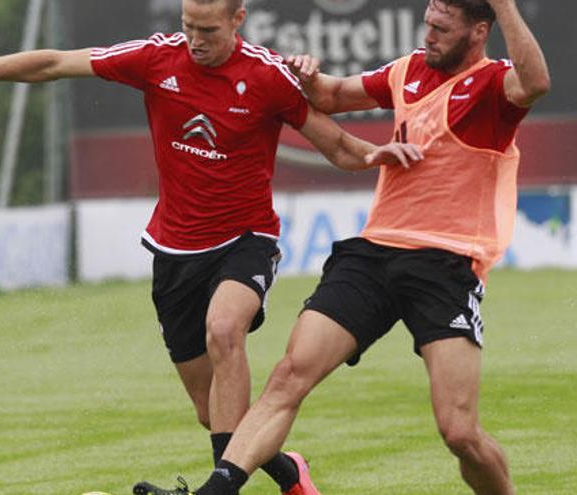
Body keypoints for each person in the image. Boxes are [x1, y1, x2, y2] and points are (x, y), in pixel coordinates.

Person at [0, 1, 421, 494]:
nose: (195, 40)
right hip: (174, 250)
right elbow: (55, 63)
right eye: (188, 26)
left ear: (237, 19)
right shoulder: (156, 58)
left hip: (246, 240)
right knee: (212, 412)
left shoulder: (267, 76)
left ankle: (221, 489)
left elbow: (335, 146)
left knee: (225, 329)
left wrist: (381, 155)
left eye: (209, 30)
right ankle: (288, 473)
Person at [138, 0, 550, 494]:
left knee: (459, 432)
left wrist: (505, 5)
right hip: (373, 254)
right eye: (427, 24)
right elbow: (331, 95)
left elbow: (536, 83)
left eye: (441, 28)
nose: (429, 35)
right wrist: (307, 75)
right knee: (289, 375)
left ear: (479, 31)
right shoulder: (408, 70)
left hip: (446, 265)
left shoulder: (493, 85)